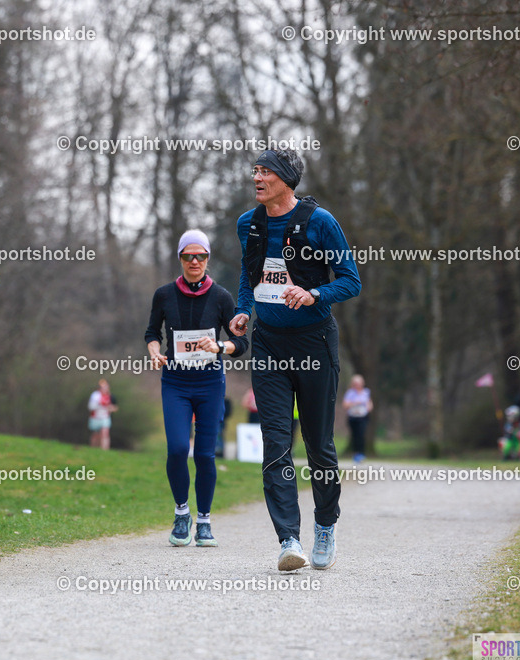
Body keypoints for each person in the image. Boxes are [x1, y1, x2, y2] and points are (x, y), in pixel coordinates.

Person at [229, 149, 361, 571]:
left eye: (265, 172)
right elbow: (250, 277)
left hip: (314, 341)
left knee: (318, 445)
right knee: (275, 440)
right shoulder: (248, 224)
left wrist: (314, 294)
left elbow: (350, 280)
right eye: (255, 171)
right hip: (268, 344)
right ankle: (289, 538)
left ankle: (325, 523)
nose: (257, 178)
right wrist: (243, 309)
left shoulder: (321, 223)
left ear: (287, 180)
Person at [146, 230, 248, 547]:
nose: (194, 261)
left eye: (200, 256)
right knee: (177, 449)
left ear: (207, 259)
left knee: (204, 454)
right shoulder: (164, 295)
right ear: (180, 258)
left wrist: (219, 346)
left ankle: (203, 521)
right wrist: (153, 351)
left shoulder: (221, 297)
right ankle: (181, 513)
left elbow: (242, 343)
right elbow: (151, 332)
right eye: (188, 255)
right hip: (175, 381)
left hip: (209, 383)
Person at [343, 374, 373, 463]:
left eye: (359, 383)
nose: (357, 385)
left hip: (363, 417)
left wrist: (368, 408)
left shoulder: (366, 392)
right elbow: (345, 405)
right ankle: (355, 454)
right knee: (355, 436)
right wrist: (355, 403)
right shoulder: (350, 393)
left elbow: (369, 404)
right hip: (353, 417)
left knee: (361, 435)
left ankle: (361, 454)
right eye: (355, 383)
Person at [88, 379, 118, 450]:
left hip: (105, 417)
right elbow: (90, 407)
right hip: (95, 417)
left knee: (105, 433)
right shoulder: (95, 395)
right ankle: (94, 449)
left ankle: (104, 450)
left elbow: (115, 408)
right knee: (96, 435)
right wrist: (102, 407)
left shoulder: (111, 397)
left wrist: (110, 409)